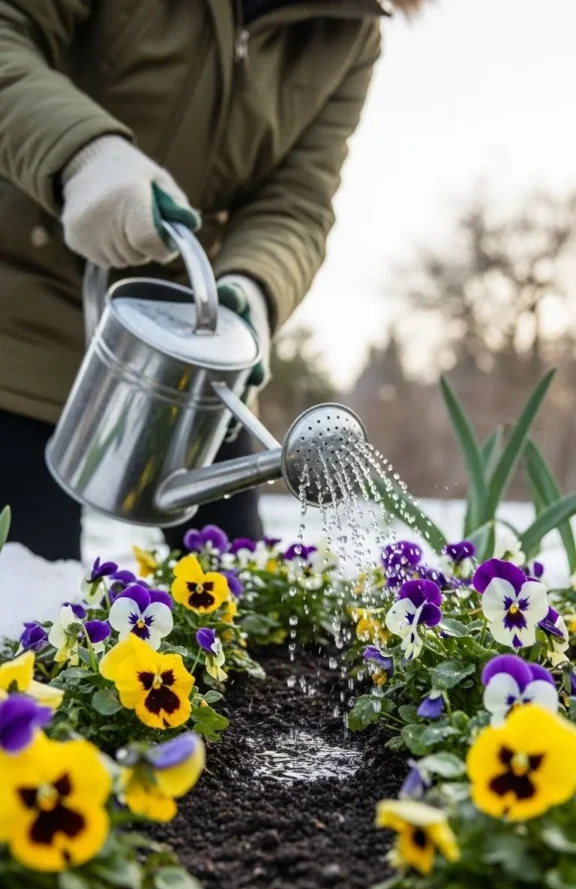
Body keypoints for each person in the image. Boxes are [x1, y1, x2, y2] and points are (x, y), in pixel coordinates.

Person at [0, 0, 419, 561]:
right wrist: (82, 155)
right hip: (17, 307)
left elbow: (295, 203)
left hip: (181, 337)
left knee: (235, 577)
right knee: (27, 588)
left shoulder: (350, 31)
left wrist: (251, 292)